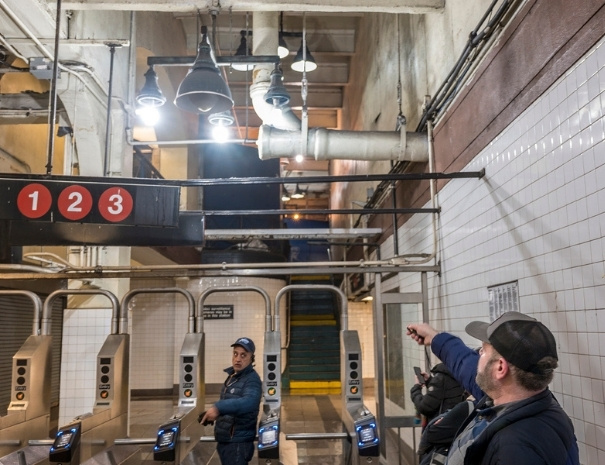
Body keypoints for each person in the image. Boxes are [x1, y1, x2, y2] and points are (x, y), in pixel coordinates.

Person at [407, 312, 579, 465]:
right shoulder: (520, 401)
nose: (478, 355)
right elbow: (466, 365)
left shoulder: (516, 448)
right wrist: (436, 338)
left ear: (499, 368)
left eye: (482, 351)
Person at [199, 337, 262, 465]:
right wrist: (213, 415)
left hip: (237, 443)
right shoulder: (232, 377)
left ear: (251, 358)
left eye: (243, 355)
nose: (238, 359)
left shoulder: (252, 379)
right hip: (227, 441)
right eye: (235, 354)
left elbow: (249, 402)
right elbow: (232, 402)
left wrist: (218, 408)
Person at [410, 362, 467, 428]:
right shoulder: (462, 374)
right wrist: (430, 381)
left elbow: (424, 407)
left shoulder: (442, 377)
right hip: (458, 427)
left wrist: (416, 388)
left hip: (441, 429)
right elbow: (446, 392)